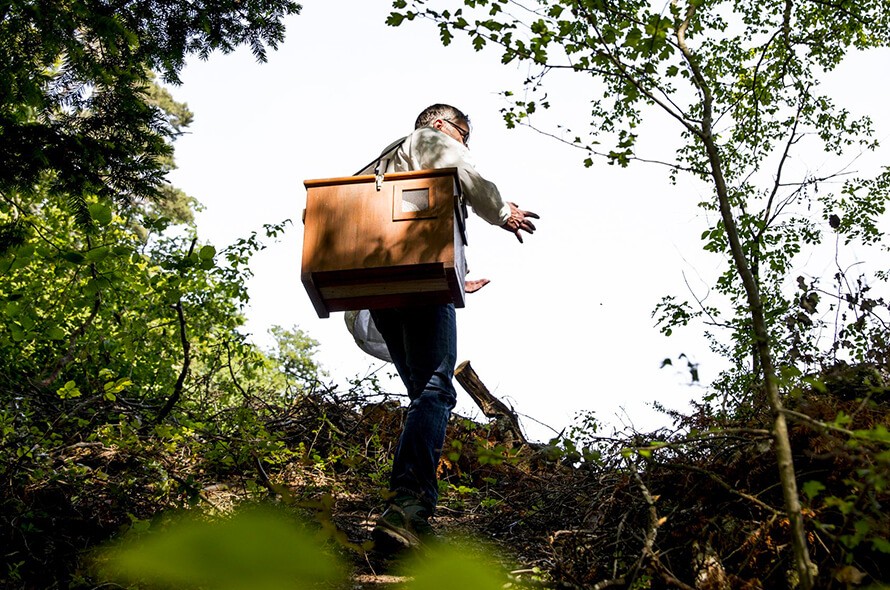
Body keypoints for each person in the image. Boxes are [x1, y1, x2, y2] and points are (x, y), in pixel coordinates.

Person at [359, 104, 539, 550]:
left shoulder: (381, 162)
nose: (464, 144)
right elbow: (463, 174)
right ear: (440, 125)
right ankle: (407, 506)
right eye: (463, 134)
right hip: (418, 281)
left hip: (380, 287)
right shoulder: (428, 140)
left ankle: (408, 519)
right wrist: (502, 213)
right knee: (436, 392)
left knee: (425, 393)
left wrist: (458, 275)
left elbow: (410, 215)